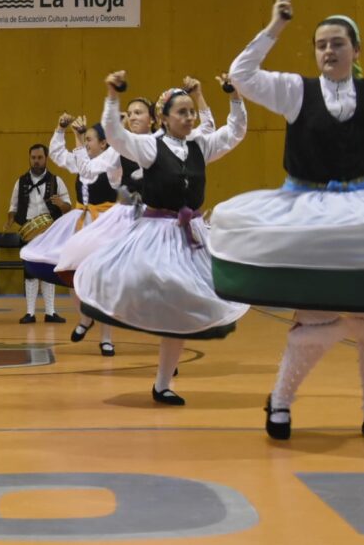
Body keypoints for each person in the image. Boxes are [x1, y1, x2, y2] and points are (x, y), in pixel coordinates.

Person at [209, 0, 364, 441]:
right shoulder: (294, 91)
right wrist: (275, 26)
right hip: (310, 213)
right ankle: (281, 402)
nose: (328, 50)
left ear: (356, 51)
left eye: (338, 43)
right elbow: (242, 75)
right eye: (321, 44)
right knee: (314, 320)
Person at [75, 71, 249, 404]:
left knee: (181, 310)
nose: (189, 117)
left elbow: (236, 131)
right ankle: (116, 322)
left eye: (191, 112)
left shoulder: (199, 145)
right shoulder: (150, 147)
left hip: (192, 234)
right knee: (165, 285)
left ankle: (162, 384)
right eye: (182, 112)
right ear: (164, 118)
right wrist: (112, 96)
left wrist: (234, 96)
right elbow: (115, 135)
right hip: (156, 233)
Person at [56, 77, 217, 283]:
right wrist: (79, 141)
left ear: (154, 119)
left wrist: (198, 96)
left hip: (167, 220)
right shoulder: (120, 149)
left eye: (138, 113)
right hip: (131, 216)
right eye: (129, 113)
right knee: (123, 271)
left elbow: (207, 131)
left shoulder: (170, 144)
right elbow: (87, 170)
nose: (132, 117)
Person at [21, 114, 121, 356]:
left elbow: (89, 169)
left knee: (102, 282)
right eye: (85, 140)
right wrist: (60, 129)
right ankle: (86, 318)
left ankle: (106, 338)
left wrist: (78, 139)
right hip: (80, 222)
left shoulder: (113, 164)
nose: (86, 144)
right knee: (69, 271)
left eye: (89, 140)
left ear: (104, 144)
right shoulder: (82, 160)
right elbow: (58, 154)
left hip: (104, 224)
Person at [7, 143, 72, 324]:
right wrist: (10, 219)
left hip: (50, 232)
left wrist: (61, 204)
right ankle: (30, 313)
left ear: (46, 158)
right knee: (30, 272)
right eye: (33, 158)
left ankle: (50, 312)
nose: (36, 161)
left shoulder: (57, 181)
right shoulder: (20, 182)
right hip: (29, 231)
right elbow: (13, 206)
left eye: (40, 158)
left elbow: (68, 207)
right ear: (30, 158)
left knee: (48, 271)